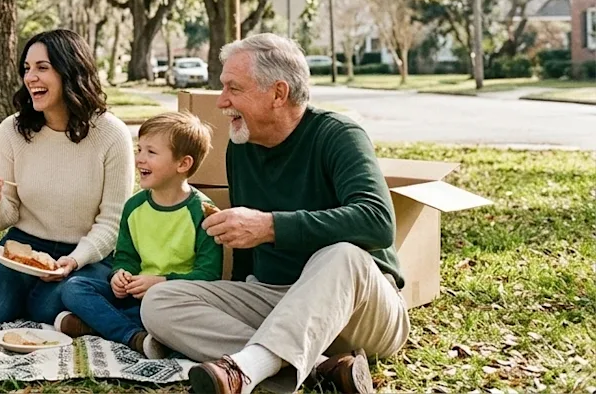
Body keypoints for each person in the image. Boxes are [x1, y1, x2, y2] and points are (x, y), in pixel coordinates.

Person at [140, 34, 409, 394]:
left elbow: (377, 222)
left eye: (234, 88)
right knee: (159, 302)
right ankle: (318, 367)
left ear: (278, 93)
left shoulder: (339, 135)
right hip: (277, 300)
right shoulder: (241, 144)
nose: (222, 101)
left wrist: (270, 226)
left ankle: (245, 369)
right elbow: (247, 255)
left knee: (342, 254)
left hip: (359, 308)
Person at [0, 29, 135, 325]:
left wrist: (76, 259)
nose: (30, 78)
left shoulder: (112, 135)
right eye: (27, 68)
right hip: (24, 244)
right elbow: (2, 220)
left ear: (70, 71)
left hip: (85, 250)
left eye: (42, 68)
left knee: (45, 308)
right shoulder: (11, 131)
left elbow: (113, 221)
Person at [55, 111, 222, 359]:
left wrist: (161, 282)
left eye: (151, 152)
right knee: (74, 288)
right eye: (139, 149)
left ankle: (96, 326)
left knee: (191, 321)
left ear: (183, 164)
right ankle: (135, 337)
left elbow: (209, 275)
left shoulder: (204, 213)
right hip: (136, 298)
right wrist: (119, 275)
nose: (139, 159)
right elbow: (125, 256)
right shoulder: (134, 207)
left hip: (177, 302)